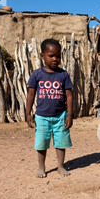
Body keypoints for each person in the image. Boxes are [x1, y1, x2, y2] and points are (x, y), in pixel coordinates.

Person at [26, 39, 73, 178]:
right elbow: (30, 95)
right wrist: (28, 114)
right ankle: (41, 168)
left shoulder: (63, 75)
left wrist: (70, 115)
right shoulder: (37, 74)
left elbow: (69, 96)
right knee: (41, 144)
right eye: (51, 56)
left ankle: (60, 166)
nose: (55, 59)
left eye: (58, 56)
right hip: (41, 116)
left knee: (61, 143)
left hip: (60, 116)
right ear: (42, 55)